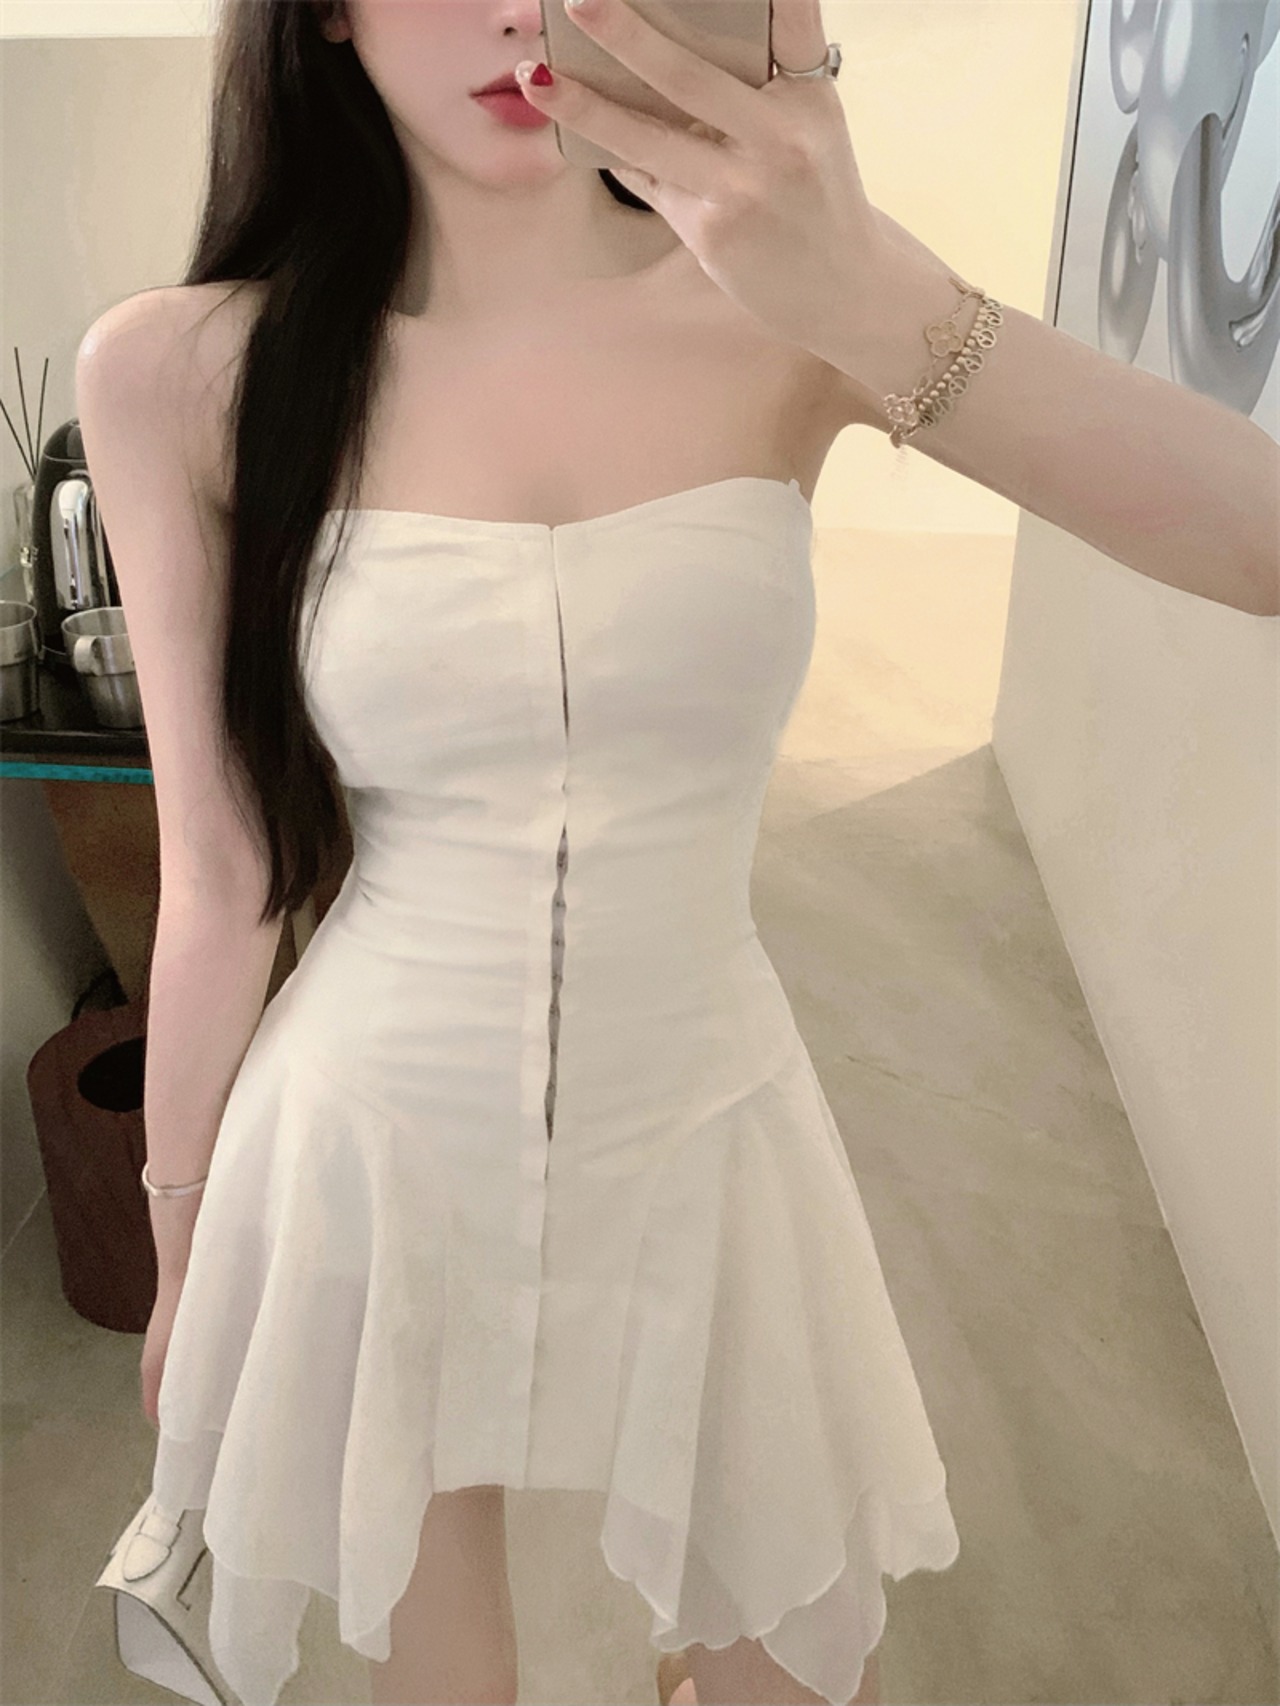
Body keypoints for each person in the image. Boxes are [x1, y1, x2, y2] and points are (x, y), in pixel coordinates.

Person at [80, 0, 1272, 1700]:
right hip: (368, 1131)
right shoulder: (185, 370)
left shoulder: (789, 313)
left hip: (707, 1117)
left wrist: (873, 285)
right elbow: (222, 867)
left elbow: (1255, 536)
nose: (519, 8)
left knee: (785, 1656)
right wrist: (183, 1227)